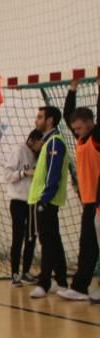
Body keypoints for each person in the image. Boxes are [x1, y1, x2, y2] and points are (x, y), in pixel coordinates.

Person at [60, 79, 100, 302]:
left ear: (90, 123)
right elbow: (67, 115)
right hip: (89, 202)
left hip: (98, 201)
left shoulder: (96, 138)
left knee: (91, 247)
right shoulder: (82, 139)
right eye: (74, 128)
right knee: (87, 247)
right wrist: (72, 89)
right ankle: (80, 287)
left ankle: (81, 286)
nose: (74, 131)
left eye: (78, 127)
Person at [28, 106, 71, 299]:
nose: (36, 120)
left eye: (40, 117)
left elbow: (53, 174)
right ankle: (61, 281)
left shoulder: (54, 142)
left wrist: (44, 199)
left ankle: (44, 284)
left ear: (50, 120)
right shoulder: (47, 142)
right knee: (54, 240)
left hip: (47, 200)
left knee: (47, 241)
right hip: (44, 199)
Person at [5, 129, 44, 285]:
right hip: (18, 201)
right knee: (18, 237)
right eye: (40, 143)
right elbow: (7, 175)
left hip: (32, 202)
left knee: (31, 237)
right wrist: (24, 173)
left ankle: (26, 271)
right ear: (32, 140)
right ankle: (14, 273)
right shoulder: (19, 151)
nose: (42, 146)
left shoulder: (38, 155)